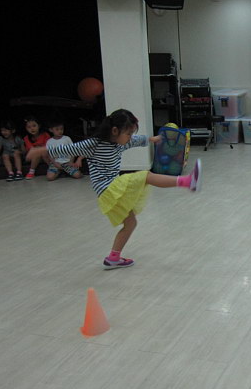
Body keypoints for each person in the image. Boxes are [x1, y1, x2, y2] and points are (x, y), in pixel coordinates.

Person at [26, 109, 202, 269]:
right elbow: (66, 149)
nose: (130, 137)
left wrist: (152, 139)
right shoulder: (94, 144)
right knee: (146, 176)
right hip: (108, 188)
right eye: (128, 133)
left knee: (131, 223)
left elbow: (136, 141)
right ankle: (187, 181)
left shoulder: (121, 143)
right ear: (115, 130)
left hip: (111, 190)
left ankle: (113, 258)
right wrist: (39, 151)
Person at [22, 115, 51, 179]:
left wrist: (39, 149)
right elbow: (31, 149)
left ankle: (52, 168)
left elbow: (48, 147)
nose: (32, 128)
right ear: (26, 128)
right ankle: (31, 171)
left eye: (34, 126)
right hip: (33, 156)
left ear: (39, 126)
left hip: (45, 155)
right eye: (29, 127)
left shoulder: (45, 135)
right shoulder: (26, 138)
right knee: (36, 153)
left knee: (42, 152)